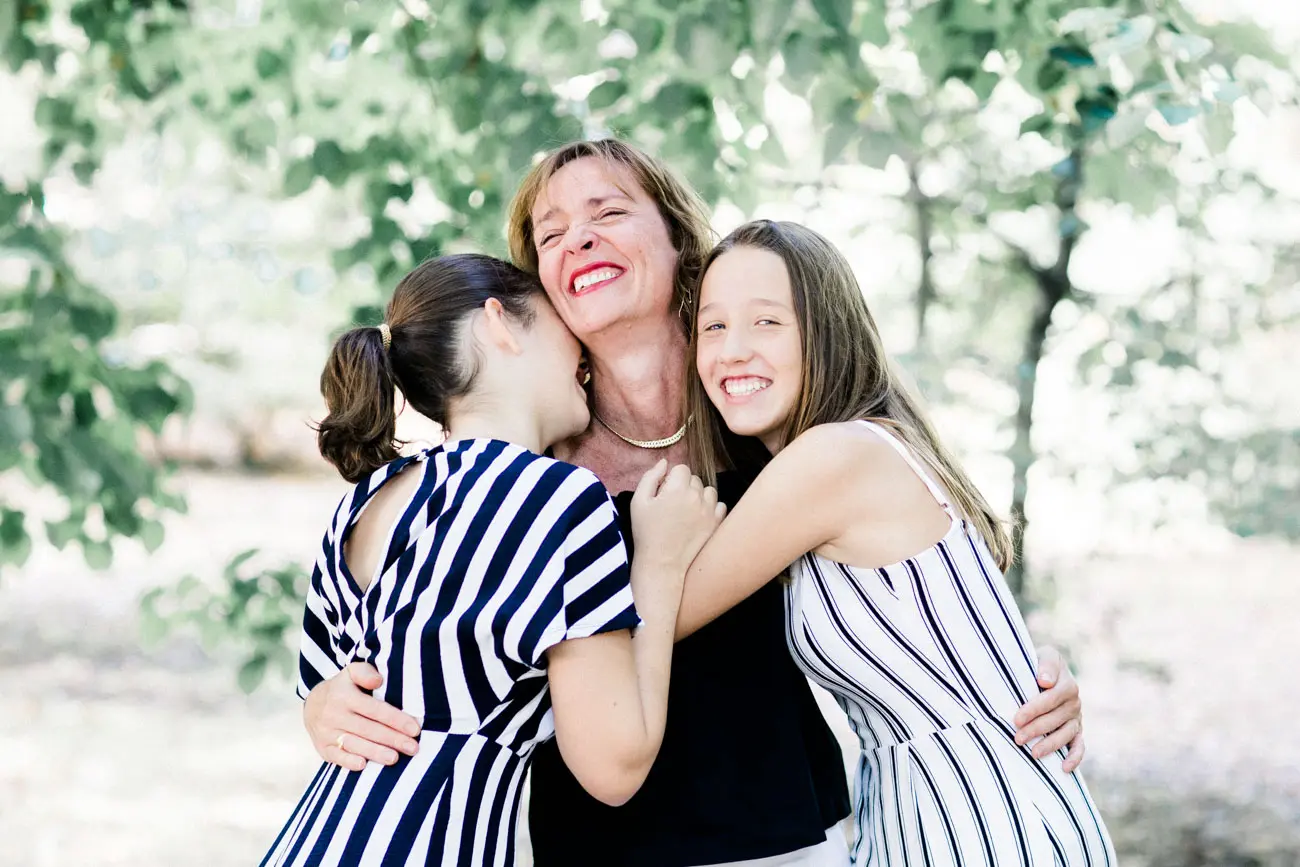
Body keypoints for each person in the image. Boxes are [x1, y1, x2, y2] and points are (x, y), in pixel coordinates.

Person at [301, 140, 1089, 867]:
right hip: (584, 841)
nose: (578, 238)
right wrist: (328, 695)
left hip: (789, 834)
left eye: (608, 212)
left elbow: (912, 564)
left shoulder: (757, 400)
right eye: (552, 233)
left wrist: (1023, 674)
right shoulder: (527, 456)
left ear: (680, 238)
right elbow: (425, 617)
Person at [678, 219, 1115, 865]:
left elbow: (658, 614)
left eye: (766, 322)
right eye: (712, 326)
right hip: (924, 819)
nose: (732, 349)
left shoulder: (836, 456)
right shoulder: (847, 454)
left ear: (825, 331)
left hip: (990, 828)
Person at [262, 254, 723, 866]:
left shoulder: (364, 499)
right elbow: (614, 766)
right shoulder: (557, 497)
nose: (583, 351)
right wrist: (660, 568)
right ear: (498, 324)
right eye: (563, 322)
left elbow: (324, 698)